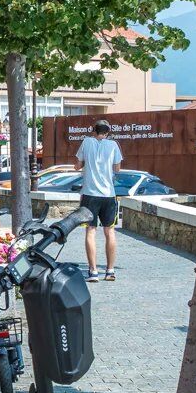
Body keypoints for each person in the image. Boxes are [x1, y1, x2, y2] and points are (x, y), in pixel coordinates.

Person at [75, 120, 123, 282]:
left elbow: (78, 165)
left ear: (93, 130)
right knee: (110, 231)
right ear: (107, 132)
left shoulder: (86, 142)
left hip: (89, 194)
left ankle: (93, 271)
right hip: (108, 194)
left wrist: (83, 166)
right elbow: (117, 168)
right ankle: (110, 271)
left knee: (91, 231)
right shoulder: (113, 145)